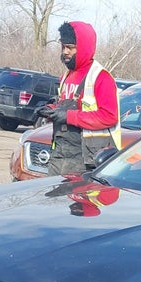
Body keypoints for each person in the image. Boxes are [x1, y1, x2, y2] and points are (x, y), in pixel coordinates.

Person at [37, 21, 121, 176]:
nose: (65, 52)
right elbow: (65, 108)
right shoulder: (66, 76)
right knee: (51, 198)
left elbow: (110, 116)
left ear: (83, 47)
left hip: (86, 159)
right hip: (60, 154)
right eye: (63, 47)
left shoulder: (101, 78)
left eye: (70, 47)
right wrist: (51, 111)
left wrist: (68, 116)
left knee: (75, 201)